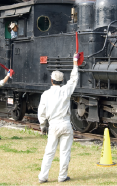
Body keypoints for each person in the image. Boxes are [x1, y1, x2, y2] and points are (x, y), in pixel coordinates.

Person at [38, 53, 79, 183]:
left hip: (53, 125)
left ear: (51, 80)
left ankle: (43, 177)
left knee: (49, 152)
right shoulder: (66, 90)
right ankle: (62, 177)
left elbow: (42, 112)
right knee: (65, 152)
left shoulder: (46, 94)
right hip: (66, 124)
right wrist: (74, 62)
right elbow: (74, 78)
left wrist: (43, 125)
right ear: (62, 81)